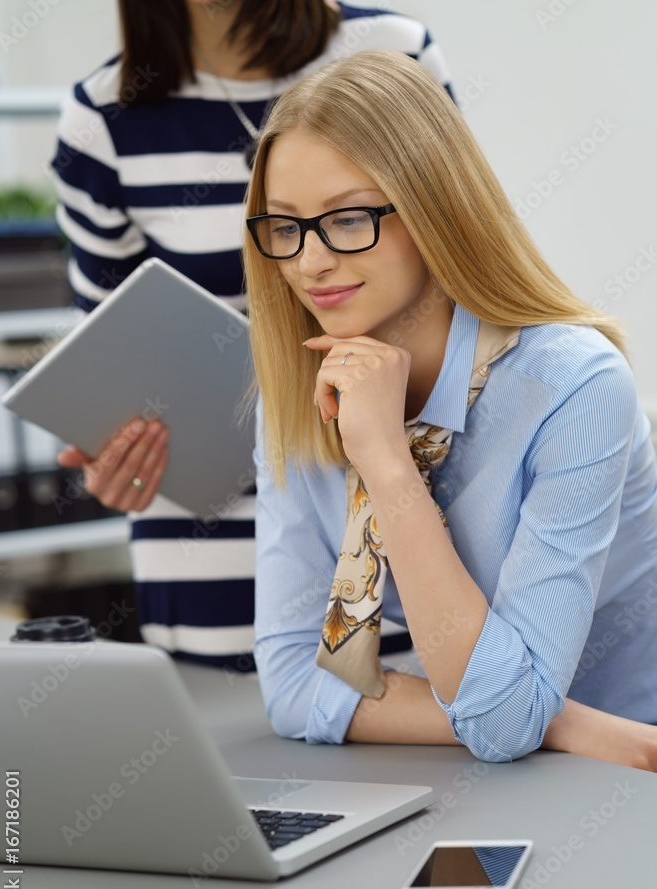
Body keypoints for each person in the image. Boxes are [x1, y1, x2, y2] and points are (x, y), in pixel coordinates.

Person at [244, 49, 657, 770]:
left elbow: (501, 724)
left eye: (346, 219)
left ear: (435, 209)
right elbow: (289, 678)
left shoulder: (574, 386)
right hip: (541, 756)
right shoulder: (308, 383)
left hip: (627, 778)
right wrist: (559, 724)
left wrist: (383, 456)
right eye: (284, 227)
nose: (308, 263)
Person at [52, 0, 454, 668]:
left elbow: (450, 263)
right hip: (206, 541)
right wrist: (110, 452)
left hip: (392, 500)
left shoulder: (391, 50)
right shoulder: (103, 117)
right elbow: (107, 348)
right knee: (236, 756)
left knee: (434, 724)